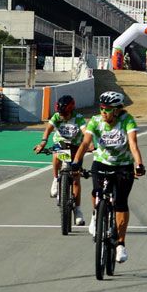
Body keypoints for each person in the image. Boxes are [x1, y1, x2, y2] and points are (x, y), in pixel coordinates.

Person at [71, 91, 146, 264]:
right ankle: (96, 215)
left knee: (120, 202)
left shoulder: (127, 121)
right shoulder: (96, 121)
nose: (103, 113)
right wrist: (76, 162)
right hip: (102, 162)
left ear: (117, 110)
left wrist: (139, 165)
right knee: (96, 191)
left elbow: (133, 145)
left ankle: (121, 244)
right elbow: (84, 143)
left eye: (107, 110)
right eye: (102, 108)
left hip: (123, 165)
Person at [33, 94, 86, 226]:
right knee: (56, 153)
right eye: (60, 113)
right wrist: (42, 143)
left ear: (71, 110)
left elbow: (86, 132)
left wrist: (89, 144)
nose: (62, 116)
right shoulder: (57, 117)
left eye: (65, 113)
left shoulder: (78, 119)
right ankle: (56, 179)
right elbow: (48, 129)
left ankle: (78, 211)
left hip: (75, 148)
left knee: (75, 179)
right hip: (61, 144)